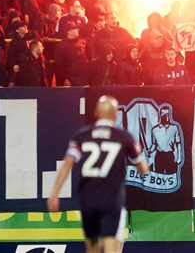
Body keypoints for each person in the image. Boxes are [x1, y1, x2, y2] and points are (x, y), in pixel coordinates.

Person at [48, 96, 149, 253]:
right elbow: (143, 168)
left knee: (92, 247)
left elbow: (67, 164)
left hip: (88, 199)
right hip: (111, 200)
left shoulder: (81, 136)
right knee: (111, 246)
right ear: (115, 114)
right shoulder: (124, 137)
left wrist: (54, 194)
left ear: (96, 113)